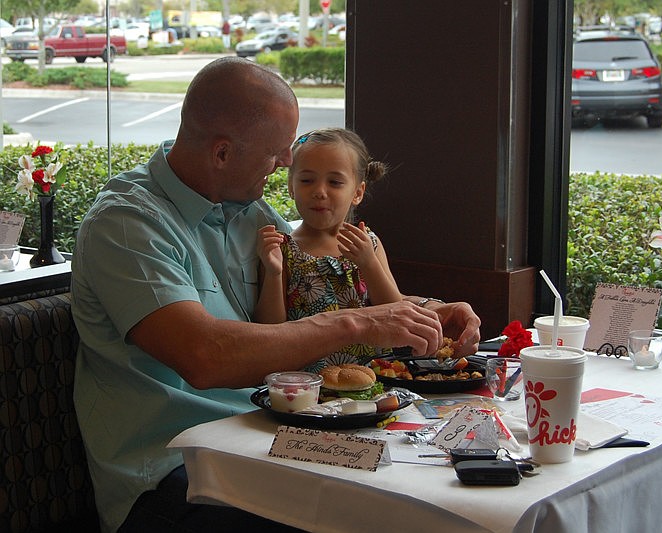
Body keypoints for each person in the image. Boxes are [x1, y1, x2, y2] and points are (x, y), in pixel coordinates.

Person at [70, 56, 481, 533]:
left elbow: (322, 291)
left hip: (269, 435)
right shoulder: (126, 223)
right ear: (222, 153)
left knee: (428, 493)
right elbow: (204, 357)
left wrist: (429, 311)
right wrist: (356, 324)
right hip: (175, 471)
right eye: (276, 152)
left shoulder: (250, 211)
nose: (287, 162)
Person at [256, 128, 403, 371]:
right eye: (306, 180)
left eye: (334, 182)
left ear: (357, 192)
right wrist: (273, 272)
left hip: (371, 379)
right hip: (306, 382)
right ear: (291, 187)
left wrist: (368, 263)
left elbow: (397, 313)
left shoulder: (368, 243)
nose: (319, 192)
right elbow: (270, 329)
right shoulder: (283, 249)